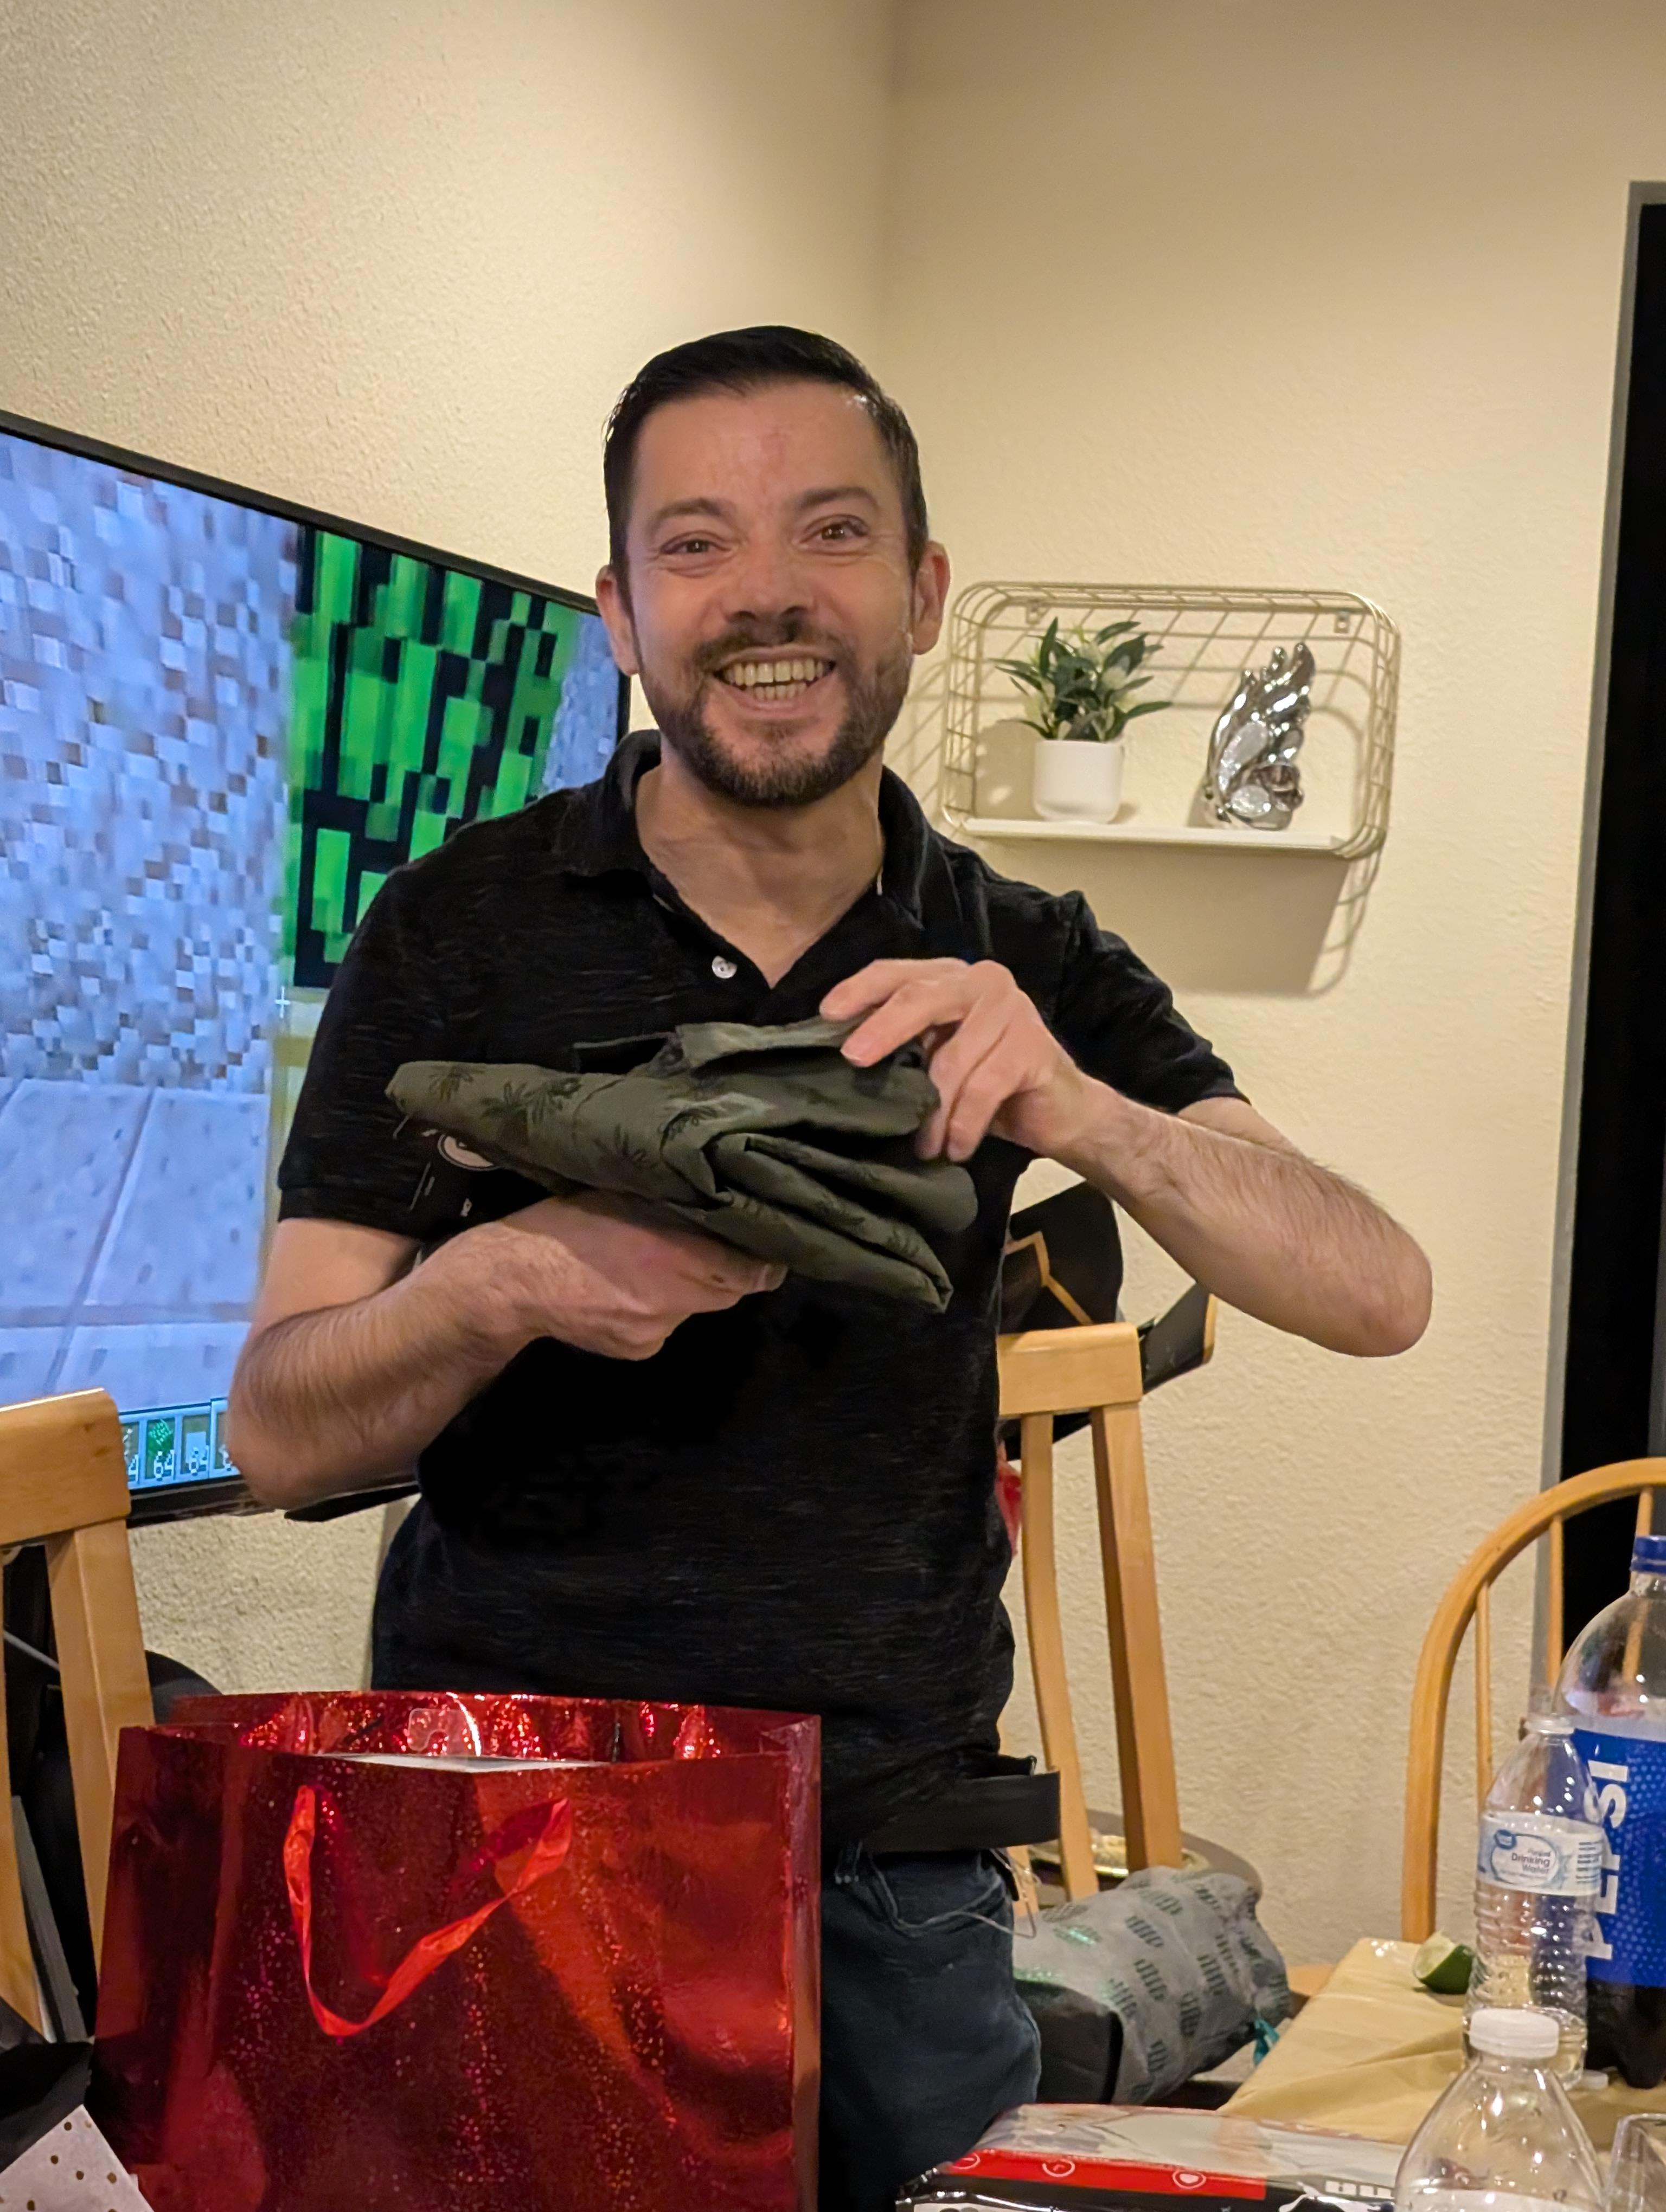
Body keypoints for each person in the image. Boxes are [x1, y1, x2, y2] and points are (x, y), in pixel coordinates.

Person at [226, 326, 1431, 2211]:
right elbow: (282, 1431)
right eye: (694, 545)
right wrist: (509, 1279)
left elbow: (1379, 1291)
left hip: (901, 1879)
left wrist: (1080, 1105)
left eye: (833, 532)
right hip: (507, 1852)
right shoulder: (459, 928)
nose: (766, 595)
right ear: (619, 610)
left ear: (925, 592)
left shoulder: (1018, 951)